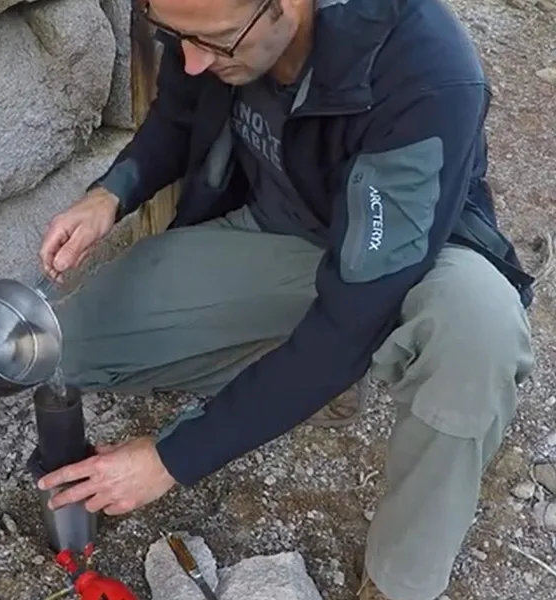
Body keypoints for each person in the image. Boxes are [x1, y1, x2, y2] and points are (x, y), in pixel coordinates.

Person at [33, 0, 537, 598]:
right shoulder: (209, 18)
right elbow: (176, 114)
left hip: (408, 261)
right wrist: (109, 196)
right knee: (70, 345)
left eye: (215, 44)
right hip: (279, 236)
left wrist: (170, 457)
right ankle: (313, 381)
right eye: (176, 36)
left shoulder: (425, 69)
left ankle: (400, 579)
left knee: (478, 334)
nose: (191, 60)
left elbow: (354, 313)